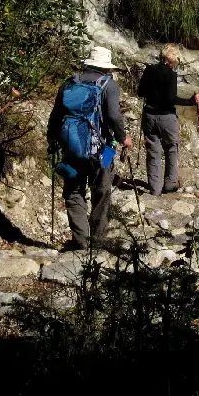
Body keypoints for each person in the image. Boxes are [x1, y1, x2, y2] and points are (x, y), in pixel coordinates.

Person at [47, 46, 131, 250]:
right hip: (101, 149)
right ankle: (98, 240)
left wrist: (52, 140)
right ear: (106, 67)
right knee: (101, 192)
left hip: (71, 146)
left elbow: (56, 115)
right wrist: (123, 138)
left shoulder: (70, 83)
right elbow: (113, 116)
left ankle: (81, 241)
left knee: (73, 191)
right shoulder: (109, 85)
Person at [137, 44, 199, 196]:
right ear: (173, 59)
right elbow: (171, 98)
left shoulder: (149, 69)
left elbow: (140, 92)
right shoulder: (171, 75)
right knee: (171, 148)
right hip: (166, 117)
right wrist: (191, 101)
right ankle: (170, 184)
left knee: (153, 151)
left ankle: (155, 189)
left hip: (149, 115)